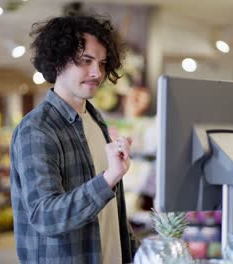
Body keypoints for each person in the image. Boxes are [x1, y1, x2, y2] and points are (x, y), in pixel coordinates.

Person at [10, 13, 138, 264]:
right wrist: (108, 178)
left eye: (102, 63)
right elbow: (45, 216)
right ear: (58, 61)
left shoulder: (94, 119)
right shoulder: (36, 129)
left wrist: (141, 254)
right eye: (85, 60)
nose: (96, 72)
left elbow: (112, 214)